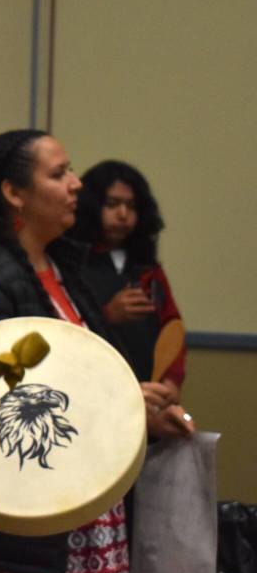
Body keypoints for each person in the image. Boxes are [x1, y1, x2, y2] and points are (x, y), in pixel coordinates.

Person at [0, 129, 128, 573]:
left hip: (74, 501)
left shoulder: (62, 266)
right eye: (59, 174)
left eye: (71, 170)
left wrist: (132, 397)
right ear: (15, 193)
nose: (77, 184)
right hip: (16, 524)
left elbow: (84, 368)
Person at [70, 160, 191, 438]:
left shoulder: (148, 269)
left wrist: (171, 382)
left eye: (131, 206)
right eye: (112, 204)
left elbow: (172, 327)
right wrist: (108, 315)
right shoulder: (72, 262)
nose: (123, 214)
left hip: (149, 400)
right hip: (93, 403)